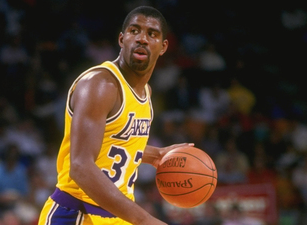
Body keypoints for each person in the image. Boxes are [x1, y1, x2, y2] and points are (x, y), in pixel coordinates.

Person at [38, 6, 192, 225]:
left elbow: (113, 144)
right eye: (134, 31)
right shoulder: (100, 85)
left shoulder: (145, 93)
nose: (142, 39)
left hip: (114, 216)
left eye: (152, 34)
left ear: (163, 46)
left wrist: (154, 155)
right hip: (76, 214)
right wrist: (145, 220)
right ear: (122, 39)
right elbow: (80, 167)